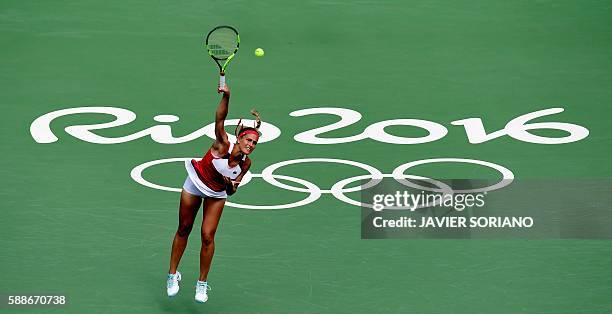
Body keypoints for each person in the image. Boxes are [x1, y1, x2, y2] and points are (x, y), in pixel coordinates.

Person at [166, 84, 260, 303]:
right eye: (248, 140)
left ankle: (202, 283)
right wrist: (227, 97)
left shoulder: (246, 164)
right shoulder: (222, 143)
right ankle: (172, 275)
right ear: (239, 138)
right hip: (196, 181)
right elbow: (220, 117)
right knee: (184, 228)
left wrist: (229, 186)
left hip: (217, 193)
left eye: (255, 143)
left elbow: (233, 190)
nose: (251, 145)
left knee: (207, 236)